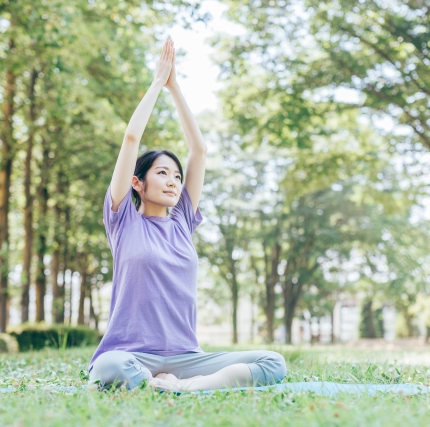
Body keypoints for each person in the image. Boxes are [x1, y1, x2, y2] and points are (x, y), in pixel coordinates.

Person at [87, 38, 286, 392]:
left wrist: (175, 88)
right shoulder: (123, 221)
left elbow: (199, 149)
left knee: (272, 362)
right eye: (162, 173)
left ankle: (186, 385)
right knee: (110, 367)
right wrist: (155, 84)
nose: (173, 181)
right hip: (131, 354)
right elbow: (131, 138)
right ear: (138, 182)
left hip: (187, 354)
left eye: (177, 176)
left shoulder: (182, 222)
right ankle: (160, 381)